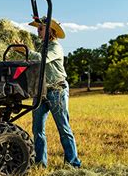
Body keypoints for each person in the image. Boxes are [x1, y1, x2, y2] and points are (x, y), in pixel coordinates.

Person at [16, 17, 81, 168]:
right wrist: (22, 51)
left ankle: (73, 163)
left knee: (63, 128)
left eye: (41, 28)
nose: (37, 30)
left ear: (50, 31)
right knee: (37, 129)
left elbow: (41, 59)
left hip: (56, 90)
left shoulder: (55, 47)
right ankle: (40, 163)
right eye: (37, 28)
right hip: (41, 91)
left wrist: (25, 50)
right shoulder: (40, 47)